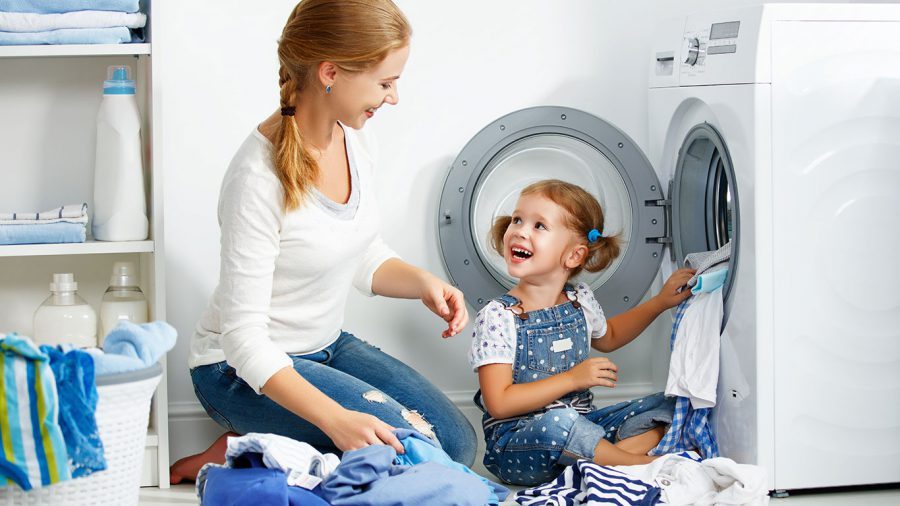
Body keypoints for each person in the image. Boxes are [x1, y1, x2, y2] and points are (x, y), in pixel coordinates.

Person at [170, 0, 476, 484]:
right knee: (413, 453)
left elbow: (359, 252)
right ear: (330, 72)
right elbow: (244, 340)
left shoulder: (355, 137)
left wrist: (422, 282)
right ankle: (257, 443)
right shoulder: (257, 176)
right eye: (385, 82)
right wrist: (335, 419)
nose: (393, 98)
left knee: (458, 444)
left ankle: (270, 443)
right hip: (237, 371)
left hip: (325, 348)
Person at [468, 179, 695, 486]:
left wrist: (659, 303)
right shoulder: (499, 316)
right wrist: (573, 379)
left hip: (584, 429)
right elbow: (500, 403)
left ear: (573, 256)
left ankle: (602, 461)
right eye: (517, 219)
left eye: (539, 226)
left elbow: (610, 335)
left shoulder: (579, 299)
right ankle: (631, 464)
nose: (519, 230)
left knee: (672, 403)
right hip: (519, 445)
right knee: (561, 422)